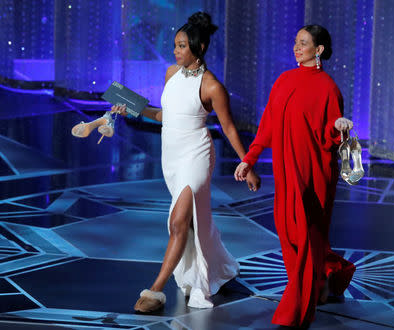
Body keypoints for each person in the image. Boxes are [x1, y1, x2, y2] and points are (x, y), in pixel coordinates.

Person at [112, 12, 261, 312]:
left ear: (200, 48)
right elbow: (167, 115)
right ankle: (220, 266)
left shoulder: (212, 86)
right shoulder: (171, 74)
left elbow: (229, 127)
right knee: (192, 223)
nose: (175, 50)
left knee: (179, 221)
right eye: (175, 45)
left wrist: (248, 164)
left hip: (197, 155)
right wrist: (133, 108)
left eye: (182, 46)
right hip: (172, 156)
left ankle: (155, 290)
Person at [234, 25, 356, 327]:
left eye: (303, 43)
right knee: (290, 235)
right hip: (286, 173)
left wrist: (339, 127)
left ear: (319, 50)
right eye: (295, 43)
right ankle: (328, 275)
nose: (296, 48)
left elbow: (331, 136)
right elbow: (267, 128)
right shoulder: (284, 81)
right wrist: (249, 159)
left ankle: (294, 312)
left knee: (305, 235)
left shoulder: (328, 87)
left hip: (314, 176)